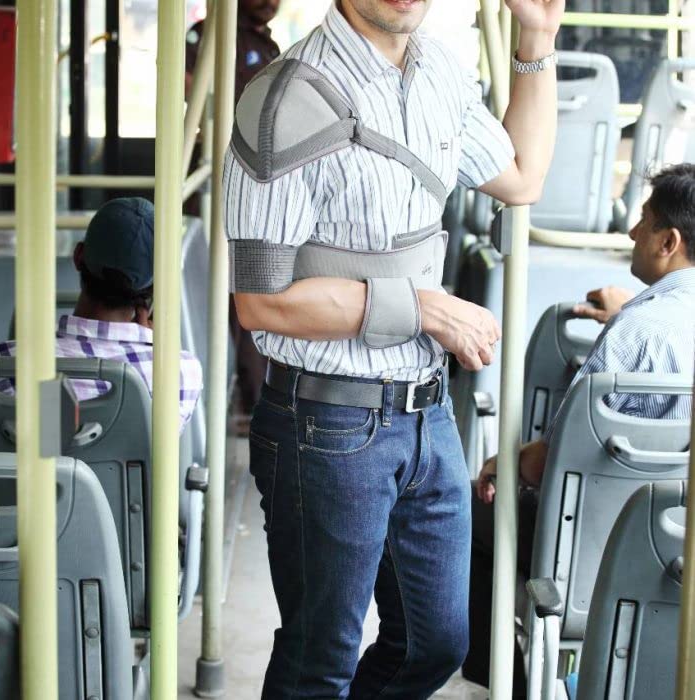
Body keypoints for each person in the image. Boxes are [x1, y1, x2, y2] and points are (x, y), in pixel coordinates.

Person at [224, 0, 564, 696]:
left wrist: (536, 37)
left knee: (436, 643)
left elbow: (522, 176)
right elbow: (262, 301)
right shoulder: (284, 98)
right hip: (325, 422)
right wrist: (421, 307)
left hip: (426, 411)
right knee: (320, 658)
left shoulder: (439, 71)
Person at [465, 163, 695, 696]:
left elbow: (553, 461)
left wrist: (505, 461)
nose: (631, 232)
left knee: (471, 515)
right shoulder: (645, 322)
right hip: (676, 556)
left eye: (644, 221)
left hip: (587, 561)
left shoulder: (636, 332)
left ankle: (500, 679)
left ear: (668, 241)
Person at [0, 197, 203, 433]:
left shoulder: (7, 364)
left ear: (78, 256)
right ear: (158, 284)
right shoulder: (181, 371)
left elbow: (48, 444)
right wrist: (153, 344)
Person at [186, 0, 281, 433]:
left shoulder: (267, 43)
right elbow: (188, 89)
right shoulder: (208, 36)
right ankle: (246, 400)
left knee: (255, 287)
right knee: (230, 294)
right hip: (222, 180)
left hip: (261, 180)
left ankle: (255, 398)